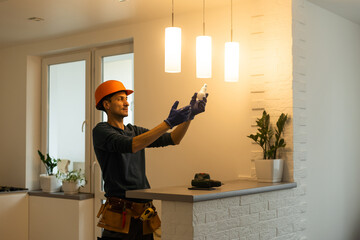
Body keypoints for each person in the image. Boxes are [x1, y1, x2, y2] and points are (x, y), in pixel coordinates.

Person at [92, 80, 208, 240]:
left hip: (145, 214)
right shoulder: (101, 131)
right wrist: (168, 123)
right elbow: (131, 145)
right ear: (107, 104)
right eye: (120, 99)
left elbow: (174, 139)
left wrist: (189, 117)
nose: (126, 103)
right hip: (120, 214)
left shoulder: (135, 131)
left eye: (126, 99)